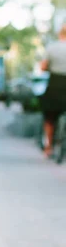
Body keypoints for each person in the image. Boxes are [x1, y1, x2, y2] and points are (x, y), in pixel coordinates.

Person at [40, 23, 66, 157]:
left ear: (59, 33)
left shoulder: (52, 47)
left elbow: (43, 67)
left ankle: (48, 147)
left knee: (49, 117)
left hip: (55, 84)